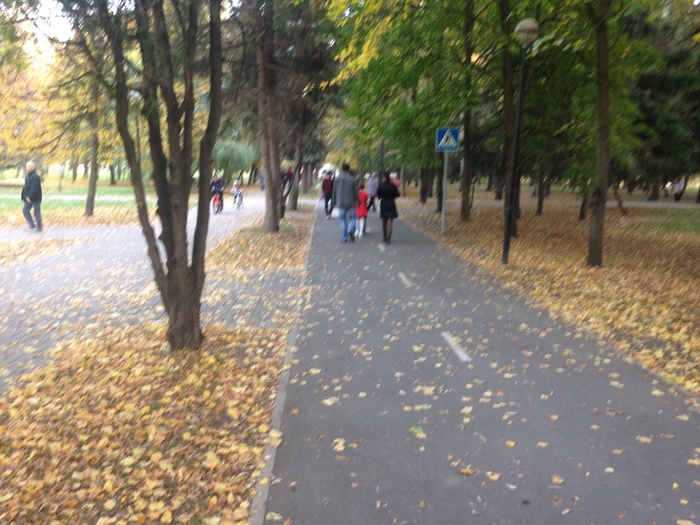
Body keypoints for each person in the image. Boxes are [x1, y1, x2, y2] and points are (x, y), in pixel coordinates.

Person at [332, 162, 359, 243]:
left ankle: (344, 237)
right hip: (351, 201)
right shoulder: (352, 179)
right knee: (353, 218)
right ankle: (351, 229)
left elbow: (334, 191)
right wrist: (359, 200)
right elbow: (356, 191)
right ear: (349, 169)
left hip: (341, 202)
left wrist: (334, 201)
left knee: (343, 220)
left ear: (342, 169)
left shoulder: (337, 178)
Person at [377, 171, 400, 244]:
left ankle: (384, 237)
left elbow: (378, 195)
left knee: (384, 221)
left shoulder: (380, 185)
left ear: (384, 177)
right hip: (391, 203)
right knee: (390, 221)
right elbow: (397, 194)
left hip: (383, 203)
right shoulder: (393, 186)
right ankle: (388, 238)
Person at [21, 161, 43, 232]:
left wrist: (30, 196)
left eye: (28, 166)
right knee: (25, 210)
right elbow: (27, 187)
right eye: (26, 166)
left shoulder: (35, 176)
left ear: (32, 167)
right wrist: (25, 196)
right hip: (28, 198)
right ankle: (32, 226)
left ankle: (39, 227)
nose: (27, 168)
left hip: (35, 198)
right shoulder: (28, 175)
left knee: (37, 212)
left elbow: (35, 188)